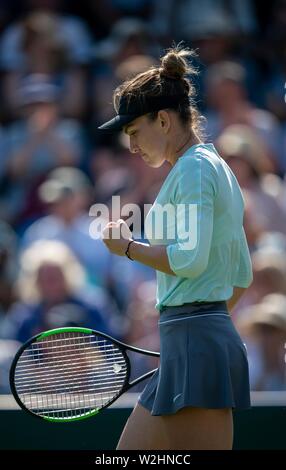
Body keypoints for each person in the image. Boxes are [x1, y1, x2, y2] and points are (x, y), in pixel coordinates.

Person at [98, 46, 253, 450]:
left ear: (163, 120)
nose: (131, 147)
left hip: (196, 343)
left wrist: (128, 247)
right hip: (195, 342)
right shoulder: (213, 165)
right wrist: (196, 330)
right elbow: (241, 276)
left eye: (134, 133)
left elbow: (188, 259)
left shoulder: (194, 169)